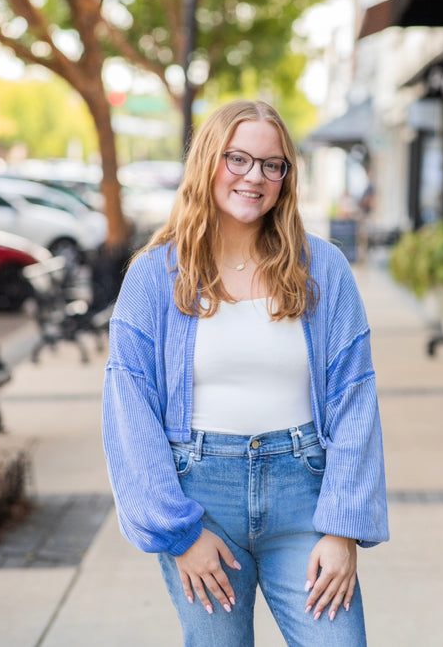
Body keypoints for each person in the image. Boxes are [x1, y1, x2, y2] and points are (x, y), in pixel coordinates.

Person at [102, 99, 389, 646]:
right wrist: (179, 533)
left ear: (286, 175)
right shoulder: (154, 276)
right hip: (200, 501)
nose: (254, 177)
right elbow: (128, 410)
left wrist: (341, 528)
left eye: (272, 164)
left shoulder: (322, 269)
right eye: (238, 159)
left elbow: (356, 399)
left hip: (304, 495)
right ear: (208, 161)